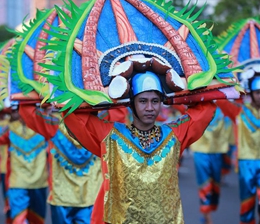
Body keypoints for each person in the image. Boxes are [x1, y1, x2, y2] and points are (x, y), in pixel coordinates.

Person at [63, 71, 216, 223]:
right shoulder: (111, 136)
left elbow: (206, 109)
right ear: (131, 103)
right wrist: (109, 94)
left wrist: (175, 91)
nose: (150, 108)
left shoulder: (174, 135)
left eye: (155, 101)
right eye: (143, 101)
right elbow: (74, 116)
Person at [19, 104, 127, 224]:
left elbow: (27, 110)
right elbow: (120, 106)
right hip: (90, 198)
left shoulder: (53, 124)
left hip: (62, 198)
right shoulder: (105, 123)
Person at [216, 72, 260, 224]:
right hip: (246, 163)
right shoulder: (239, 111)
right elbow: (221, 100)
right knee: (247, 204)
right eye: (258, 92)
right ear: (251, 93)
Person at [189, 107, 233, 224]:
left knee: (215, 185)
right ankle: (207, 216)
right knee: (204, 184)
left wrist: (230, 144)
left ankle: (207, 212)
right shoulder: (197, 107)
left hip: (217, 150)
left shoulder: (223, 109)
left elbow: (230, 124)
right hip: (200, 151)